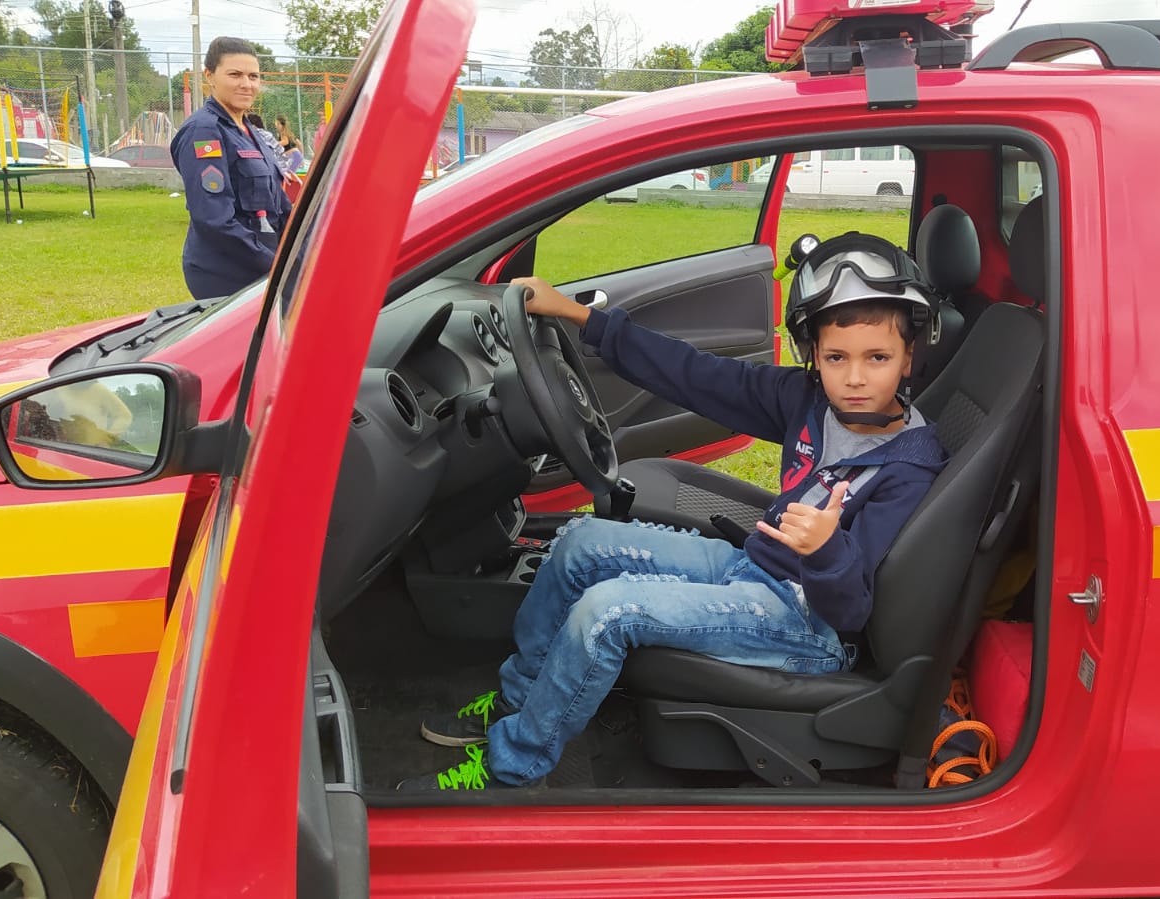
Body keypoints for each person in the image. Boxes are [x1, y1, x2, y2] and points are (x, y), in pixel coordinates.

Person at [401, 233, 950, 791]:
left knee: (608, 611)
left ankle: (514, 766)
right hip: (758, 566)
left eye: (877, 358)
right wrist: (580, 318)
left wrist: (828, 548)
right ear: (812, 356)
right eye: (837, 357)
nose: (855, 378)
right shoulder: (807, 400)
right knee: (580, 545)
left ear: (909, 358)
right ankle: (520, 698)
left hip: (807, 623)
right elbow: (693, 373)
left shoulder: (905, 469)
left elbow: (853, 609)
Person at [170, 36, 290, 301]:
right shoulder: (205, 131)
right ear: (209, 76)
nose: (247, 84)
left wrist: (302, 247)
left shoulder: (250, 131)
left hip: (265, 264)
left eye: (254, 76)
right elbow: (214, 218)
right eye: (235, 75)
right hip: (228, 272)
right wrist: (275, 266)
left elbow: (279, 205)